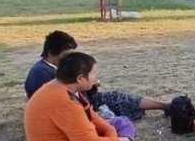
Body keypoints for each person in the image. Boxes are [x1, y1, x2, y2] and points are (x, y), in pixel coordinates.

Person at [24, 52, 153, 141]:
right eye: (93, 74)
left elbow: (91, 115)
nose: (95, 77)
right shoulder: (63, 101)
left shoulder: (66, 87)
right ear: (80, 78)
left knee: (122, 122)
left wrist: (112, 134)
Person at [24, 30, 170, 120]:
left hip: (86, 102)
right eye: (66, 55)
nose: (71, 58)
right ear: (51, 53)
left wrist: (89, 85)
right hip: (77, 110)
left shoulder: (54, 67)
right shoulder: (40, 73)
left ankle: (165, 106)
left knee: (124, 99)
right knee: (125, 113)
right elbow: (56, 105)